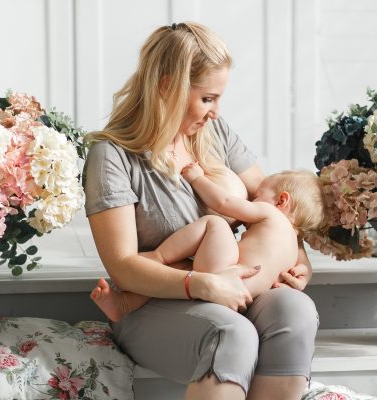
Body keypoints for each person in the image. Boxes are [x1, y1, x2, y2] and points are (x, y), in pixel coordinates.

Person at [83, 22, 319, 400]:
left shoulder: (216, 134)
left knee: (296, 309)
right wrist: (200, 284)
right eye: (207, 98)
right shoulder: (110, 157)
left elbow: (277, 203)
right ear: (167, 86)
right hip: (153, 304)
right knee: (232, 332)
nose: (215, 111)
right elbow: (122, 265)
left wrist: (297, 260)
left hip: (232, 287)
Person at [91, 167, 324, 320]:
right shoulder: (294, 250)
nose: (253, 201)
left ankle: (157, 257)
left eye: (257, 196)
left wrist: (197, 178)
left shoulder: (270, 213)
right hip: (239, 298)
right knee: (183, 270)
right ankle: (123, 304)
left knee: (216, 223)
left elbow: (223, 202)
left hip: (225, 276)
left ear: (282, 200)